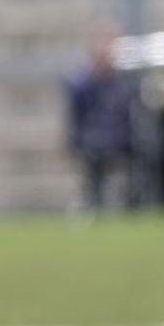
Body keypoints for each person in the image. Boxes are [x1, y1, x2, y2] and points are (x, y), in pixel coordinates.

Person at [64, 27, 135, 210]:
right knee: (90, 185)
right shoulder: (83, 82)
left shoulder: (121, 82)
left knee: (116, 185)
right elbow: (77, 112)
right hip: (90, 141)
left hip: (116, 141)